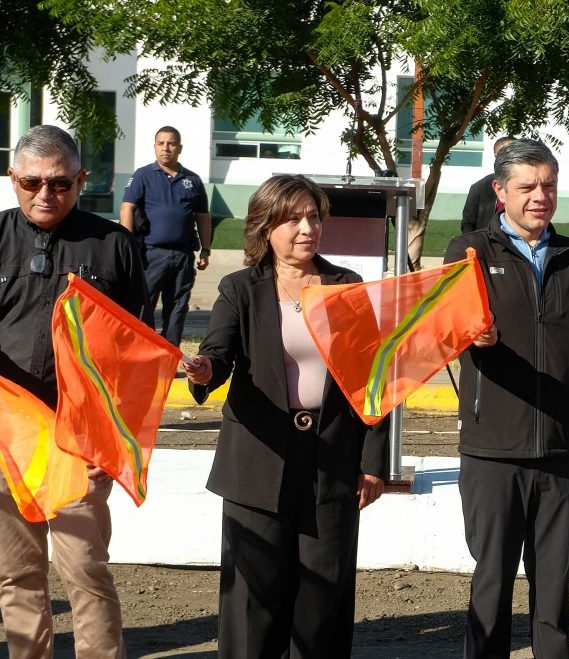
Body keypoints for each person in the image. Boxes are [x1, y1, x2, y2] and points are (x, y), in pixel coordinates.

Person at [181, 174, 389, 657]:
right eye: (293, 218)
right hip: (258, 459)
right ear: (265, 226)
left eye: (314, 216)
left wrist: (373, 461)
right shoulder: (240, 288)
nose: (307, 228)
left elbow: (372, 376)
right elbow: (218, 354)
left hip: (331, 460)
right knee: (252, 600)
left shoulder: (346, 286)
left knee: (322, 600)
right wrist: (204, 370)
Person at [444, 139, 569, 658]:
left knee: (554, 588)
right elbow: (443, 331)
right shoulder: (469, 252)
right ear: (500, 191)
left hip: (561, 449)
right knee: (492, 581)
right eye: (528, 186)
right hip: (493, 448)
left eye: (549, 185)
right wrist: (472, 336)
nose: (541, 196)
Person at [0, 125, 146, 658]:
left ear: (81, 180)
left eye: (60, 183)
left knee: (84, 570)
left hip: (79, 441)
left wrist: (112, 444)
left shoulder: (114, 246)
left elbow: (136, 355)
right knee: (16, 574)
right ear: (12, 177)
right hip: (8, 439)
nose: (46, 194)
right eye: (32, 182)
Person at [120, 125, 212, 347]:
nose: (166, 148)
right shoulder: (143, 175)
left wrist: (206, 249)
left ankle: (169, 352)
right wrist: (127, 245)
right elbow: (127, 208)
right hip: (151, 254)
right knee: (144, 304)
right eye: (161, 143)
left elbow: (203, 217)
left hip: (183, 255)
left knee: (178, 306)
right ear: (154, 146)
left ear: (180, 148)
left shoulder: (193, 180)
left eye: (171, 143)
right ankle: (141, 350)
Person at [459, 136, 515, 233]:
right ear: (496, 157)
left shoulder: (531, 186)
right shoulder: (479, 188)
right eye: (505, 155)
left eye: (516, 154)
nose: (511, 159)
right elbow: (468, 224)